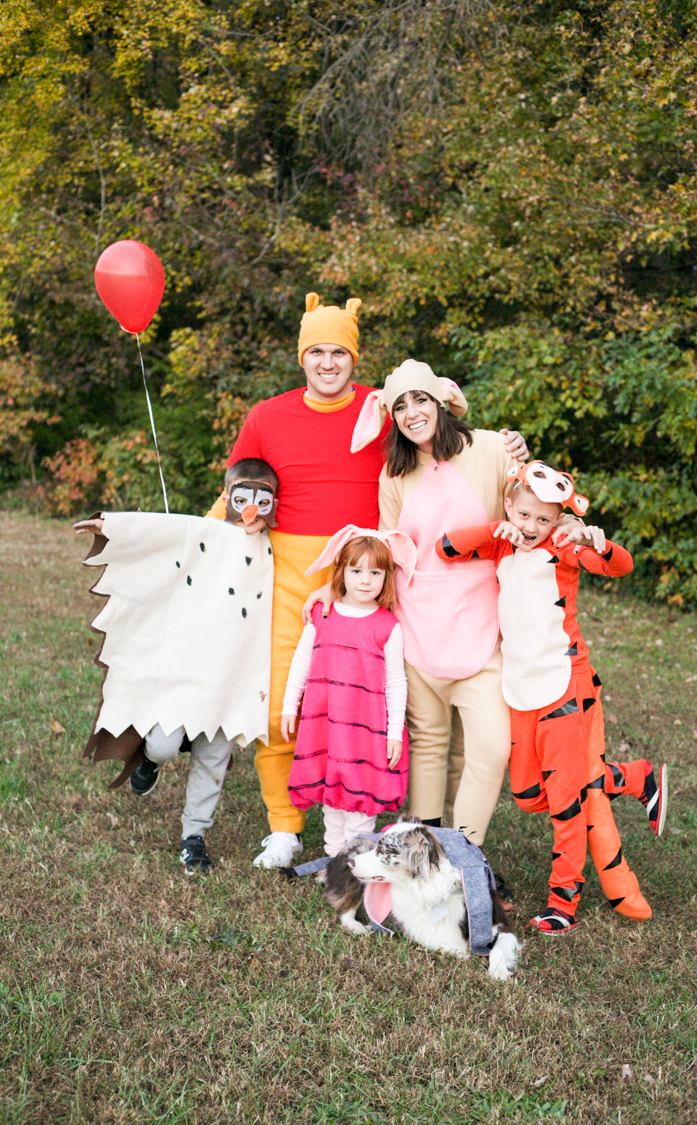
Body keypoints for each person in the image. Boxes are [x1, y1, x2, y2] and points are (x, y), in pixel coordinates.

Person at [209, 294, 530, 866]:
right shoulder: (268, 416)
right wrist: (197, 542)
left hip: (373, 582)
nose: (328, 362)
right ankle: (285, 826)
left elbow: (499, 479)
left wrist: (516, 452)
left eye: (339, 351)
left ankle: (422, 835)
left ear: (354, 359)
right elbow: (232, 498)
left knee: (382, 711)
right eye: (317, 352)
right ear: (301, 357)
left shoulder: (383, 417)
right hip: (293, 577)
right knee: (287, 698)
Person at [436, 459, 668, 933]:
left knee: (566, 801)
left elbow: (618, 565)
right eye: (525, 515)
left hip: (565, 684)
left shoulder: (562, 547)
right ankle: (634, 777)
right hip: (518, 688)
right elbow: (447, 547)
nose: (533, 527)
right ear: (510, 505)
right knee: (526, 794)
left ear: (558, 519)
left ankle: (563, 900)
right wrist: (497, 526)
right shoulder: (501, 543)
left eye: (544, 519)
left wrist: (596, 541)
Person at [340, 359, 536, 848]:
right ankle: (424, 853)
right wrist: (337, 588)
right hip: (418, 625)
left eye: (420, 400)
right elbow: (389, 549)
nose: (411, 413)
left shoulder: (491, 446)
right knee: (429, 744)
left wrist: (572, 525)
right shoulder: (394, 473)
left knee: (489, 749)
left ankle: (465, 855)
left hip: (481, 624)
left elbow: (536, 508)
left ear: (441, 401)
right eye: (400, 406)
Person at [75, 458, 279, 875]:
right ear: (228, 497)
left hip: (235, 675)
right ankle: (149, 759)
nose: (252, 509)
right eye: (243, 498)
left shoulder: (278, 546)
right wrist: (109, 527)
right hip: (190, 669)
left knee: (214, 757)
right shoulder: (206, 532)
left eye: (263, 499)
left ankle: (194, 835)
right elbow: (161, 532)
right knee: (166, 743)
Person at [282, 529, 414, 856]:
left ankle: (356, 865)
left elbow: (396, 681)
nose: (365, 580)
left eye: (375, 572)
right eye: (356, 571)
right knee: (333, 798)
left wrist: (394, 732)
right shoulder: (322, 614)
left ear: (387, 577)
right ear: (341, 573)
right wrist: (289, 705)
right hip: (328, 724)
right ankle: (333, 860)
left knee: (360, 799)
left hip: (367, 730)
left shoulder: (388, 626)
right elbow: (301, 662)